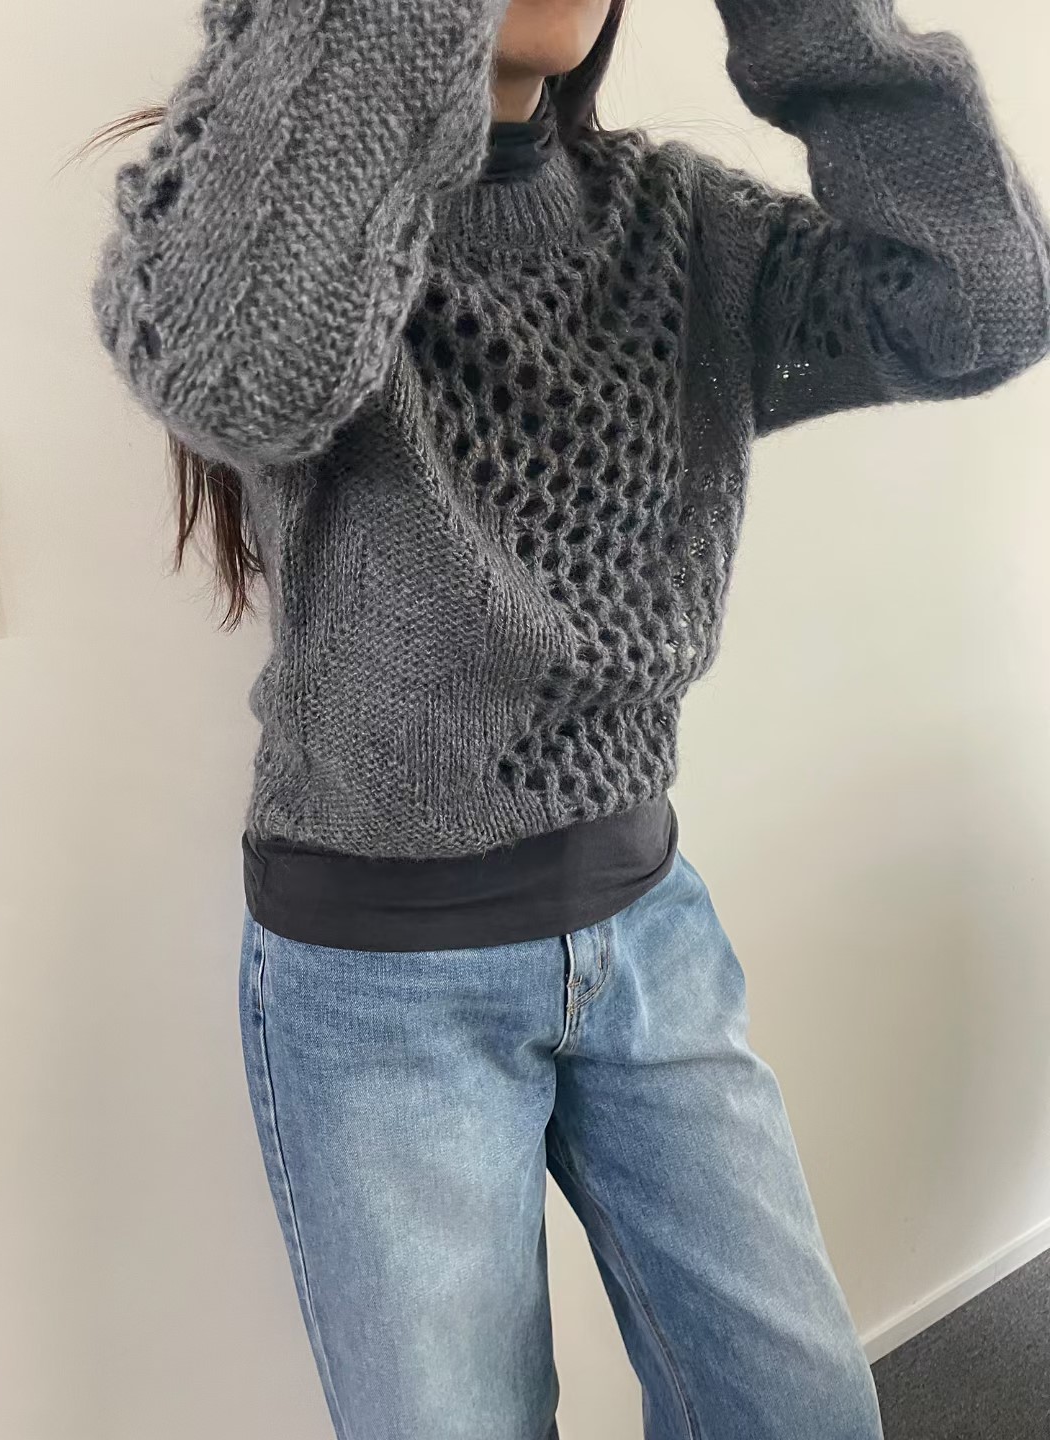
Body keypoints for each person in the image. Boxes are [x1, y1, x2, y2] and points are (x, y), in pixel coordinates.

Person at [91, 0, 1050, 1435]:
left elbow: (979, 306)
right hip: (381, 981)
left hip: (648, 928)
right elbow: (243, 375)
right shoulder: (275, 232)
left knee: (803, 1411)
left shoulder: (678, 223)